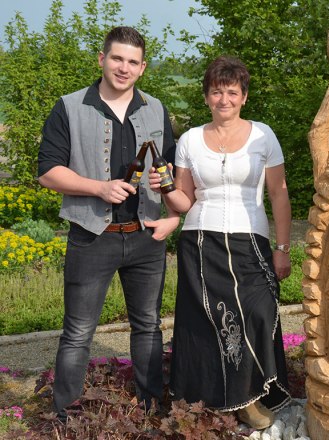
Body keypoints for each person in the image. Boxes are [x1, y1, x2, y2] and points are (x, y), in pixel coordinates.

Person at [37, 26, 180, 421]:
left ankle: (151, 412)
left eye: (133, 62)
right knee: (78, 332)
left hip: (146, 237)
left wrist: (167, 194)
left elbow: (172, 171)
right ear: (102, 59)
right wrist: (98, 188)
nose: (123, 67)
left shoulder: (156, 108)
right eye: (117, 58)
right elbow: (48, 172)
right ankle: (66, 418)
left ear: (143, 68)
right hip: (91, 236)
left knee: (148, 327)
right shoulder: (68, 107)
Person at [152, 55, 291, 429]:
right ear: (206, 96)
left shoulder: (263, 135)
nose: (224, 99)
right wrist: (164, 187)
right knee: (209, 322)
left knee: (260, 310)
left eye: (231, 92)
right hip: (201, 239)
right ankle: (226, 402)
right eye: (216, 92)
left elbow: (278, 193)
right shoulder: (190, 140)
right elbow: (184, 200)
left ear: (244, 96)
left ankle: (252, 391)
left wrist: (282, 248)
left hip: (251, 239)